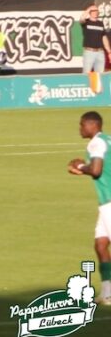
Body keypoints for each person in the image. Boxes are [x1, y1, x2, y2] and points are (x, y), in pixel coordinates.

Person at [66, 110, 111, 307]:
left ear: (93, 125)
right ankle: (107, 292)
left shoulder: (96, 143)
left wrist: (80, 167)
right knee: (100, 244)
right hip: (105, 202)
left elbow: (96, 170)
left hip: (110, 201)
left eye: (82, 124)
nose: (80, 128)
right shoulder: (107, 139)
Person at [82, 6, 109, 91]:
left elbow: (104, 37)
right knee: (86, 73)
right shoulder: (86, 22)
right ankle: (86, 91)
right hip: (89, 51)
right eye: (93, 11)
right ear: (90, 12)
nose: (96, 12)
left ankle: (97, 91)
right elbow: (81, 19)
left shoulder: (100, 23)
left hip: (100, 52)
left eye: (97, 11)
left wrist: (109, 51)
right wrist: (88, 9)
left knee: (100, 74)